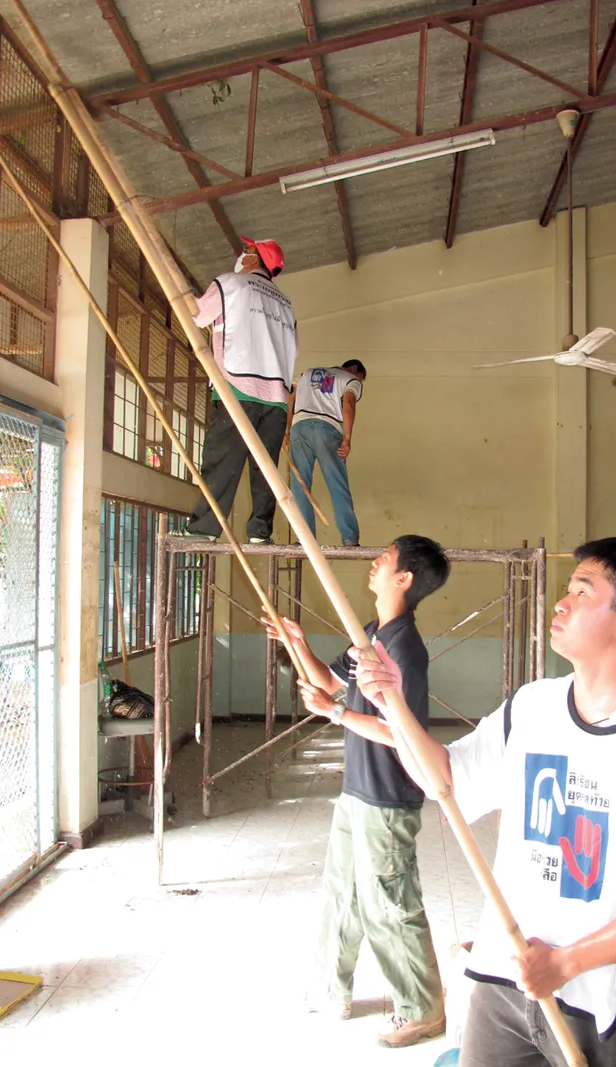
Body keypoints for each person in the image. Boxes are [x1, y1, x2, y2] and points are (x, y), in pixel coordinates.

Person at [354, 537, 616, 1067]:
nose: (561, 603)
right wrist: (393, 699)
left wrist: (566, 963)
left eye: (582, 592)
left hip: (611, 1004)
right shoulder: (534, 706)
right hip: (509, 975)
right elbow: (446, 782)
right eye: (567, 590)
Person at [264, 535, 450, 1048]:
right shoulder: (370, 633)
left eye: (384, 558)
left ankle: (421, 1009)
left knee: (389, 904)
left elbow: (401, 733)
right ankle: (331, 989)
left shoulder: (406, 650)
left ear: (405, 578)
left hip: (388, 795)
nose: (374, 563)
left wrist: (337, 715)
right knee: (341, 895)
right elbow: (333, 683)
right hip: (357, 789)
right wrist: (297, 644)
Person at [176, 237, 297, 545]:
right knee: (265, 470)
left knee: (222, 463)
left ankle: (204, 529)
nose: (241, 254)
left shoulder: (232, 283)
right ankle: (260, 532)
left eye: (247, 251)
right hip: (276, 400)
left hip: (237, 389)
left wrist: (185, 296)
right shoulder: (285, 304)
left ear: (256, 260)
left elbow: (197, 316)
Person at [286, 361, 366, 546]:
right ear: (355, 369)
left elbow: (290, 399)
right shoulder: (350, 379)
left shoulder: (306, 372)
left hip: (300, 427)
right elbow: (348, 403)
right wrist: (347, 438)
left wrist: (287, 429)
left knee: (300, 486)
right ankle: (349, 538)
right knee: (337, 484)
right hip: (327, 429)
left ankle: (305, 538)